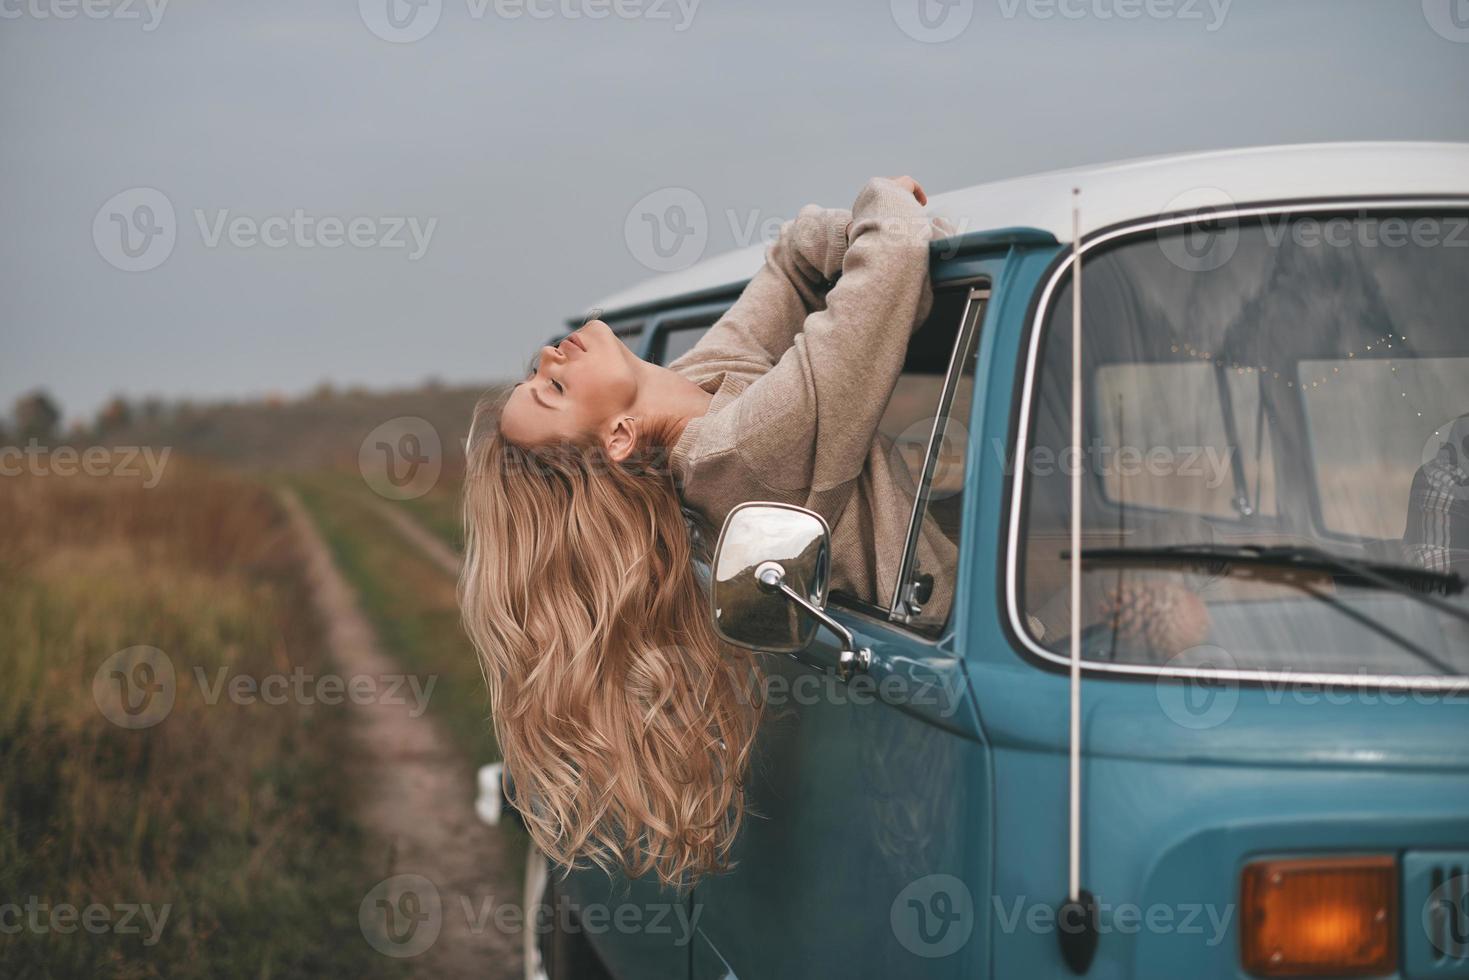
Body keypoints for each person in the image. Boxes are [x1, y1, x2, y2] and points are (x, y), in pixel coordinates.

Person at [459, 176, 952, 886]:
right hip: (946, 624)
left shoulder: (698, 379)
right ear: (621, 436)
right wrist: (882, 198)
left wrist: (846, 236)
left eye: (535, 374)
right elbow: (897, 249)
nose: (547, 358)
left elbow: (788, 264)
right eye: (554, 391)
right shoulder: (740, 454)